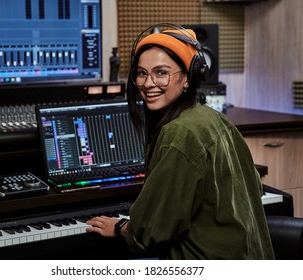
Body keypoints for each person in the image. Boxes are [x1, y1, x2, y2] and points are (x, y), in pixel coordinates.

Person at [86, 24, 274, 260]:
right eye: (142, 73)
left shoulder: (179, 133)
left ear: (188, 78)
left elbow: (149, 233)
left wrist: (120, 226)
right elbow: (254, 187)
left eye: (161, 73)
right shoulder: (215, 119)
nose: (147, 83)